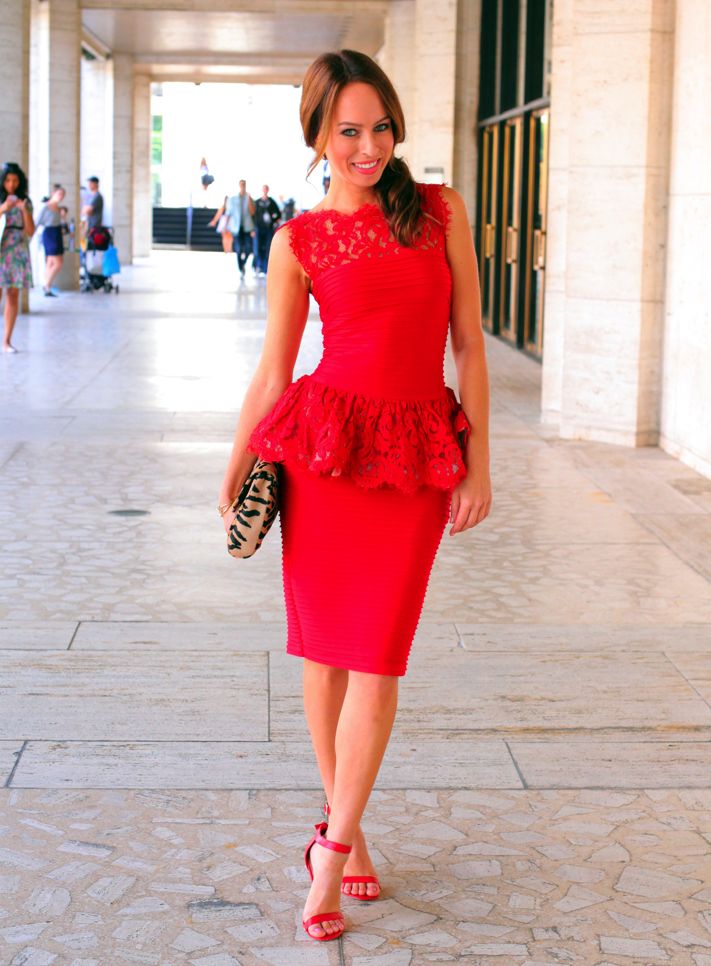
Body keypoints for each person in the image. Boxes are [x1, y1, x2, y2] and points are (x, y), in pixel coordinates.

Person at [218, 49, 492, 942]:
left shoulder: (441, 211)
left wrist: (480, 461)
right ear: (317, 136)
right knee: (325, 656)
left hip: (415, 457)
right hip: (326, 460)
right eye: (349, 131)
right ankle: (349, 830)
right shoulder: (300, 240)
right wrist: (233, 466)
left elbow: (471, 346)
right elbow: (273, 371)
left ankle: (323, 864)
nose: (369, 145)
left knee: (379, 657)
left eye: (380, 127)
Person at [0, 162, 36, 353]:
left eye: (15, 180)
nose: (11, 184)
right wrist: (3, 208)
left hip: (18, 250)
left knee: (13, 295)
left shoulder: (26, 202)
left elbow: (30, 231)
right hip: (0, 247)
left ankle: (6, 341)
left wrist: (24, 210)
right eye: (7, 180)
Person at [36, 184, 66, 297]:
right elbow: (37, 221)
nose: (61, 196)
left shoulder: (58, 208)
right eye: (59, 194)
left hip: (57, 233)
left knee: (50, 262)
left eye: (63, 195)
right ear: (53, 194)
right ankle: (47, 285)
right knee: (58, 262)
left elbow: (61, 223)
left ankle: (47, 286)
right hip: (49, 234)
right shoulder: (46, 207)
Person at [223, 180, 256, 278]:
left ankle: (243, 263)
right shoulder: (233, 199)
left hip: (247, 227)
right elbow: (228, 214)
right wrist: (225, 226)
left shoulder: (249, 199)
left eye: (244, 185)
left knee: (248, 248)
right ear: (239, 186)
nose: (243, 186)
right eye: (241, 185)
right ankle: (241, 268)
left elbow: (253, 212)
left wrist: (249, 199)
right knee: (238, 249)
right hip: (236, 228)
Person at [253, 184, 281, 275]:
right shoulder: (257, 202)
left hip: (268, 229)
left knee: (267, 248)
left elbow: (278, 214)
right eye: (263, 189)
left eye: (266, 189)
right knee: (258, 248)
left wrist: (273, 221)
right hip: (258, 228)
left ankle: (265, 268)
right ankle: (258, 266)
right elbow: (253, 215)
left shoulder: (272, 202)